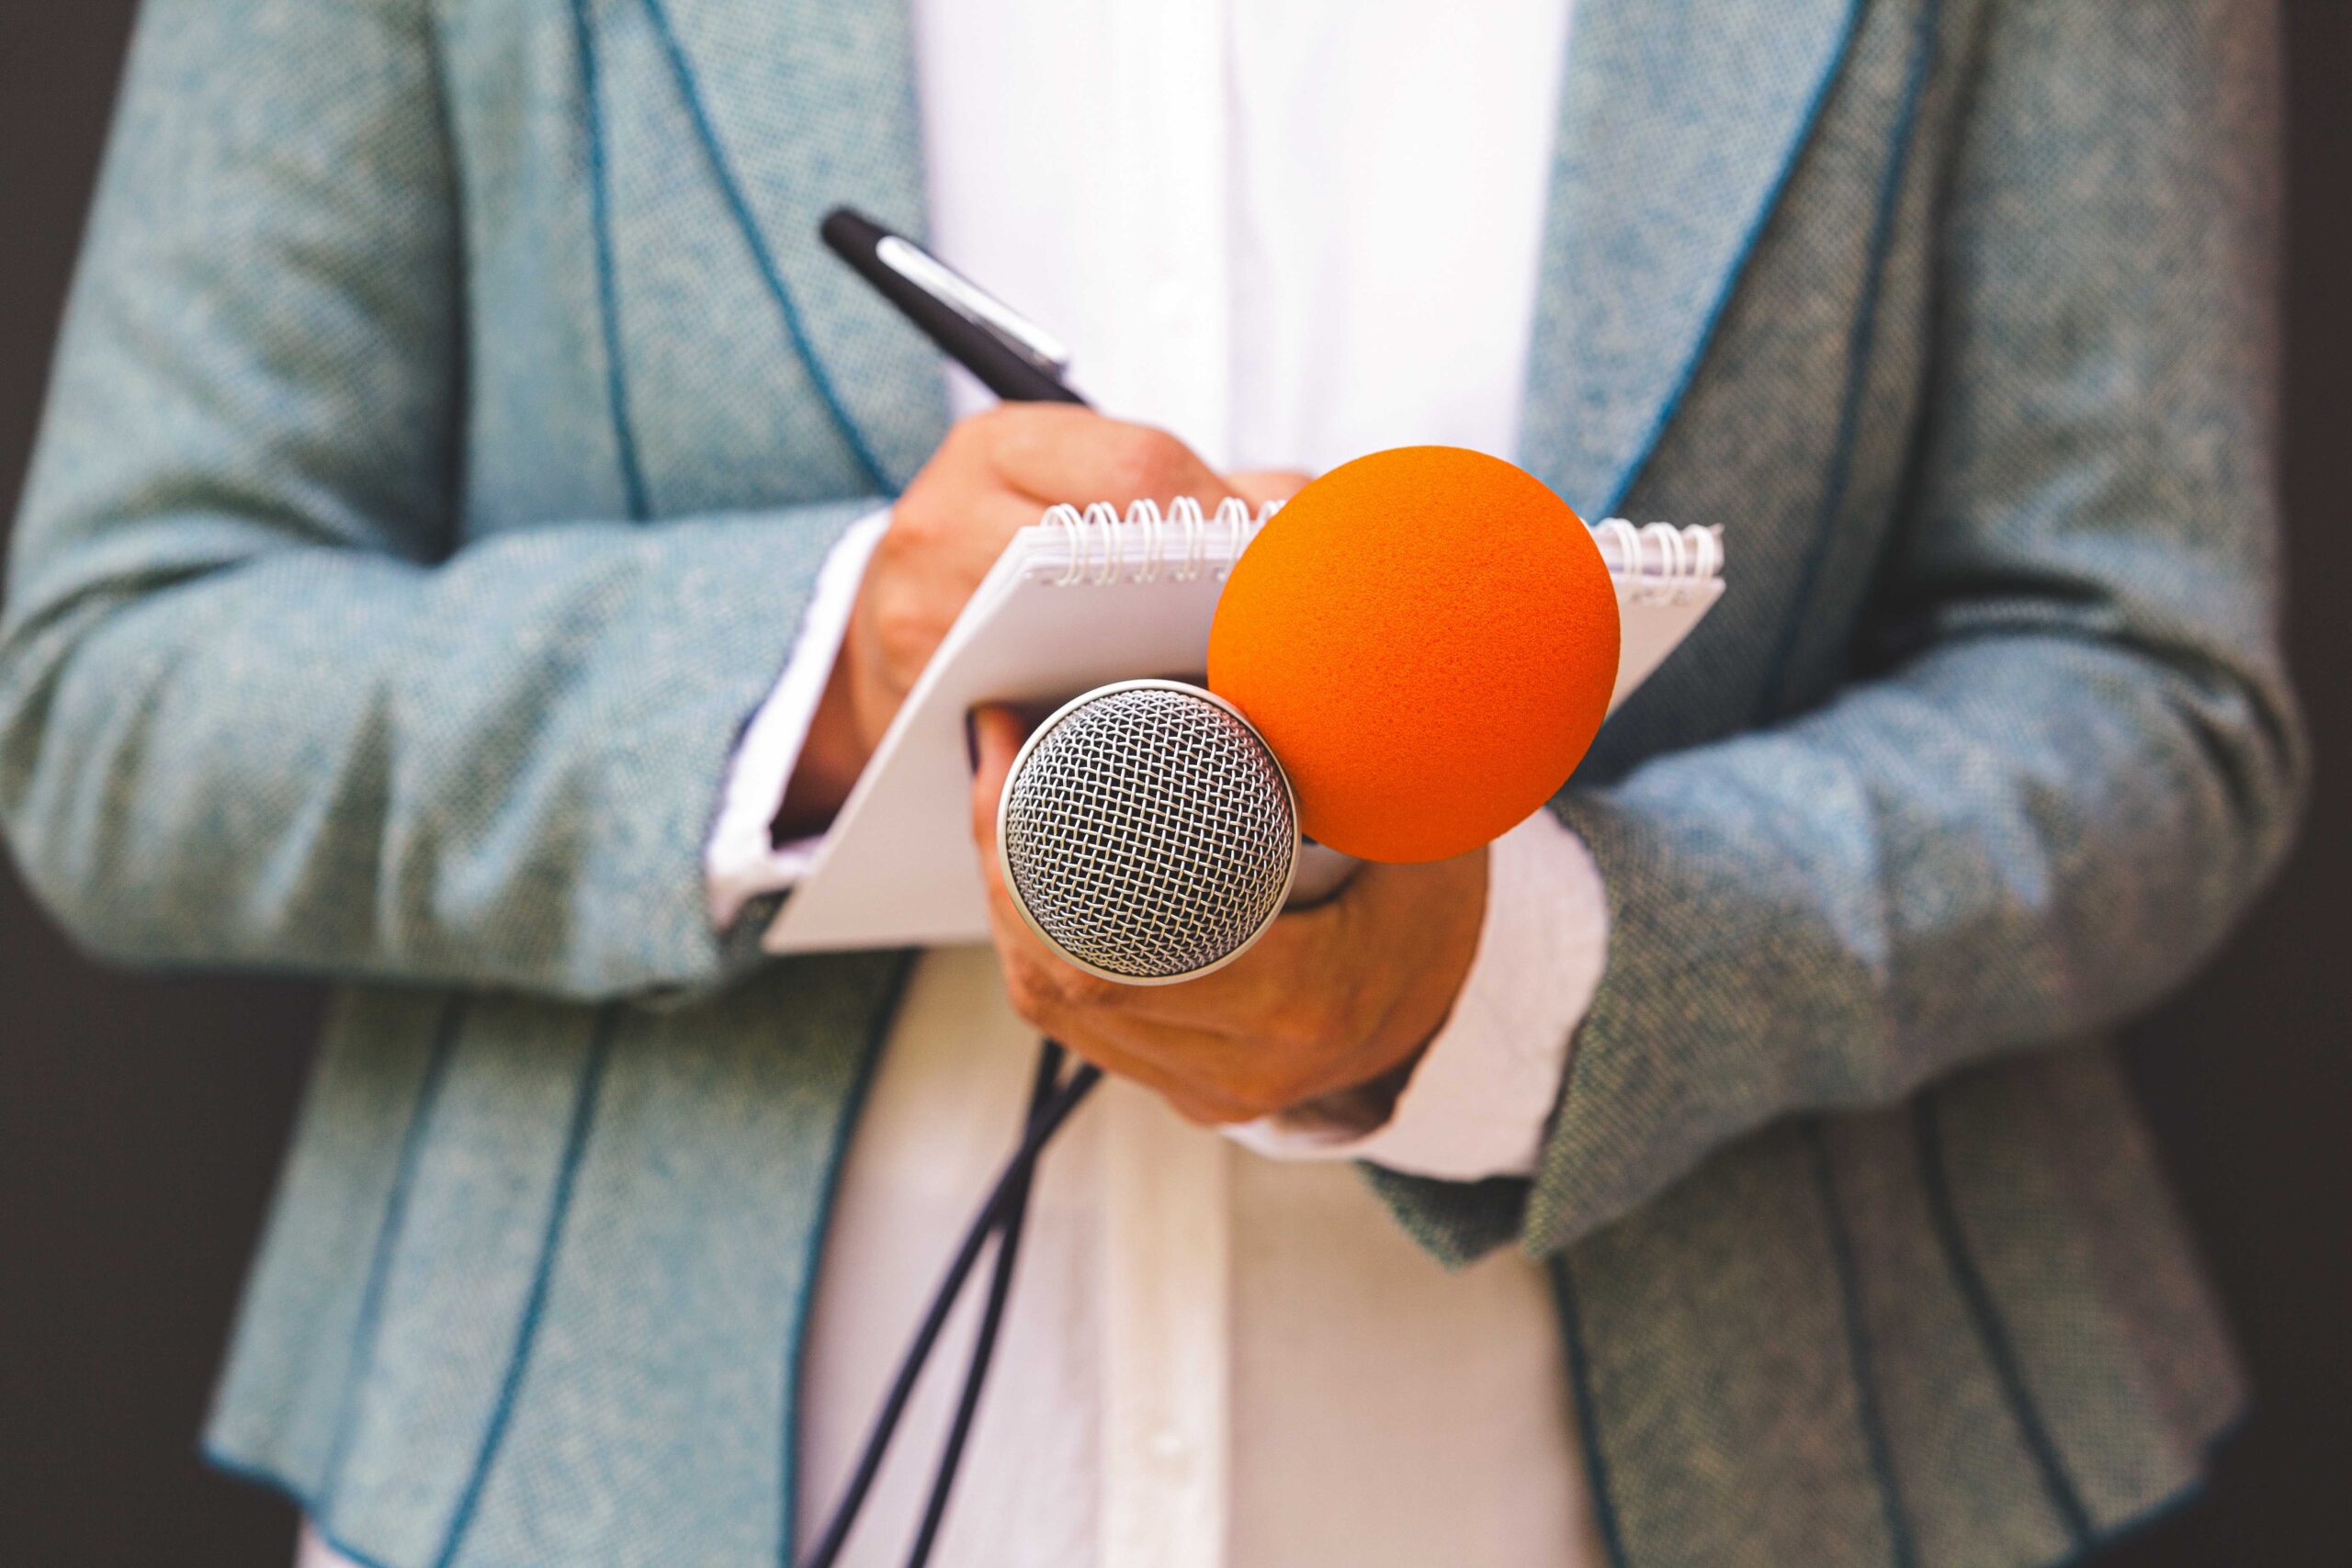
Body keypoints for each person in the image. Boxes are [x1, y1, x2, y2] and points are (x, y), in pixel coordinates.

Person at [0, 0, 2301, 1564]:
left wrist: (1529, 975)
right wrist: (827, 668)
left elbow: (2135, 686)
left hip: (1766, 1456)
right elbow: (118, 689)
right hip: (605, 1472)